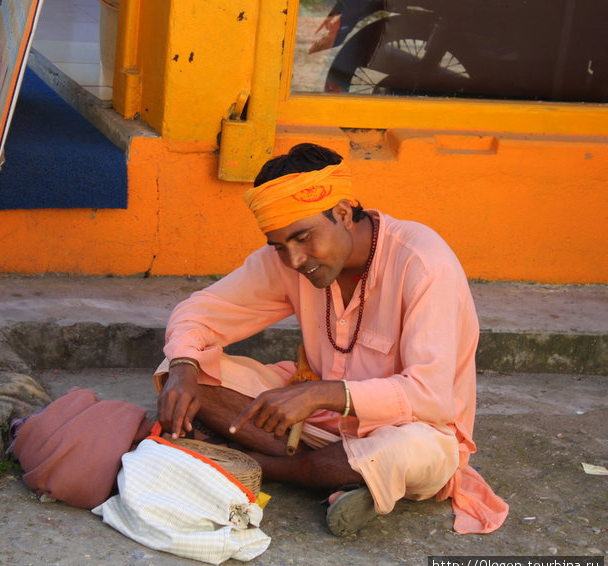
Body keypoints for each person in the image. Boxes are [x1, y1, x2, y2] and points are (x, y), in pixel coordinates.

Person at [153, 143, 508, 537]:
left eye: (304, 238)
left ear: (342, 212)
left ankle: (257, 462)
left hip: (409, 431)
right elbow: (199, 312)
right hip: (318, 422)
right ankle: (342, 477)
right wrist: (184, 368)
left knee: (408, 453)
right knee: (182, 368)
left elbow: (432, 396)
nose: (294, 260)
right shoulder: (287, 260)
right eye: (280, 246)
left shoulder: (424, 263)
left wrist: (322, 393)